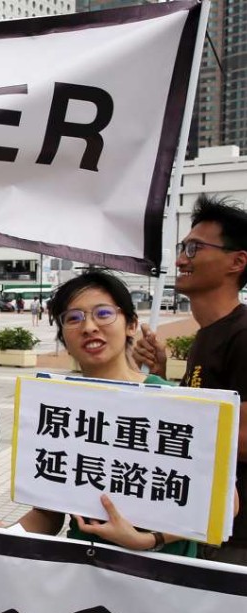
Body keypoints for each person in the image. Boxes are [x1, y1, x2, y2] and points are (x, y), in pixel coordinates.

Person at [0, 271, 196, 556]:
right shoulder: (59, 411)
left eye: (104, 313)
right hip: (88, 573)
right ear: (63, 337)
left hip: (166, 578)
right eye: (73, 318)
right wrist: (10, 535)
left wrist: (148, 539)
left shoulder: (174, 402)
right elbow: (48, 515)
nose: (89, 327)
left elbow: (224, 504)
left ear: (131, 324)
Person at [134, 195, 247, 564]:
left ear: (237, 261)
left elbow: (240, 438)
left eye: (195, 248)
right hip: (204, 528)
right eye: (183, 248)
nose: (181, 259)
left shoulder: (243, 334)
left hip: (236, 539)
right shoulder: (208, 336)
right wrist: (163, 380)